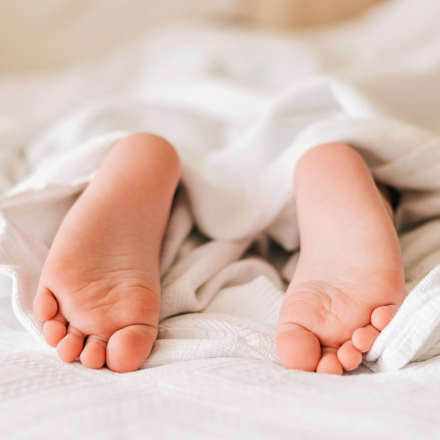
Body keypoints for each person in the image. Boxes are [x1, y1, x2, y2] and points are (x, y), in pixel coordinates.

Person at [33, 133, 404, 374]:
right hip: (290, 133)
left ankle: (133, 160)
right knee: (342, 139)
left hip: (188, 126)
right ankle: (346, 174)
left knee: (74, 134)